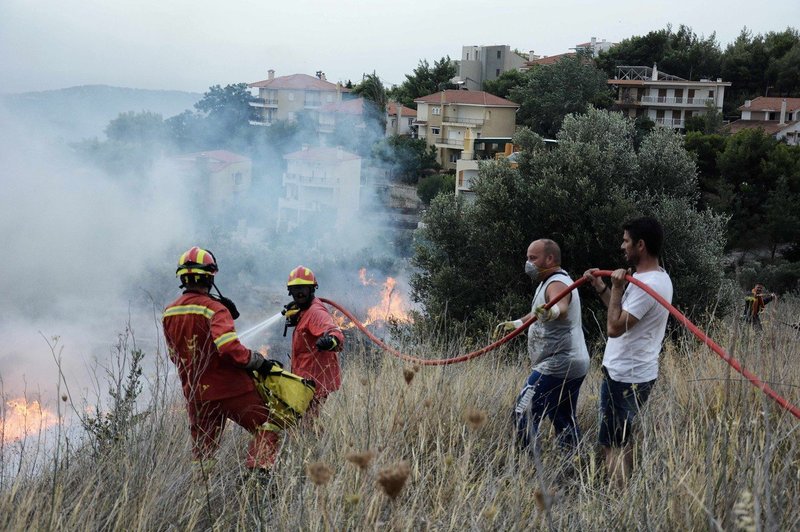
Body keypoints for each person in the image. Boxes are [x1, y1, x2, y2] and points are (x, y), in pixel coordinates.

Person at [163, 246, 282, 473]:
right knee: (267, 426)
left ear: (182, 277)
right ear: (210, 277)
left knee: (203, 451)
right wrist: (257, 361)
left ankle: (202, 492)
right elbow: (229, 348)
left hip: (196, 394)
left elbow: (173, 356)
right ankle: (258, 480)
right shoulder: (215, 309)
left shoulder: (169, 312)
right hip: (231, 389)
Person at [583, 217, 673, 487]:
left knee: (612, 443)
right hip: (633, 371)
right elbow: (620, 311)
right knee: (622, 437)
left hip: (626, 374)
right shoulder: (651, 278)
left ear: (641, 245)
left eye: (626, 241)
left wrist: (620, 287)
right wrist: (602, 288)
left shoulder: (652, 285)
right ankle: (627, 494)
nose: (622, 246)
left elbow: (614, 327)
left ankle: (617, 504)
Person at [496, 239, 590, 453]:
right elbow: (540, 311)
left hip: (557, 364)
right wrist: (518, 324)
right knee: (563, 416)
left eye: (533, 258)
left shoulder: (557, 282)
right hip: (573, 362)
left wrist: (553, 312)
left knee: (523, 412)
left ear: (549, 259)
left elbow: (560, 305)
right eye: (528, 258)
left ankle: (531, 465)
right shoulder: (548, 281)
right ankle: (573, 465)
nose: (528, 263)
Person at [283, 266, 344, 419]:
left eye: (303, 288)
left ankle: (318, 442)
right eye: (295, 289)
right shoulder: (305, 310)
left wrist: (332, 340)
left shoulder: (315, 312)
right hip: (306, 379)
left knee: (307, 423)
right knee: (307, 422)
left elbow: (333, 330)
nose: (299, 293)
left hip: (314, 381)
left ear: (312, 289)